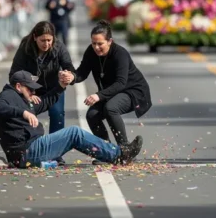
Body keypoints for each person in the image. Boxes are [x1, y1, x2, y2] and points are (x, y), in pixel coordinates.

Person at [0, 70, 143, 168]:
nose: (33, 91)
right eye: (29, 88)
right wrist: (23, 113)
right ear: (18, 86)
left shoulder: (22, 98)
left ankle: (115, 155)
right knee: (74, 133)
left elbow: (44, 103)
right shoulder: (7, 96)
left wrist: (60, 86)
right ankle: (120, 155)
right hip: (26, 152)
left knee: (74, 135)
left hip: (30, 150)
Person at [59, 20, 152, 164]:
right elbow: (82, 72)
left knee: (111, 108)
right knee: (92, 115)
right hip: (112, 92)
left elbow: (121, 83)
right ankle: (107, 152)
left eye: (100, 44)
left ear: (110, 41)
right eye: (93, 43)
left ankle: (125, 149)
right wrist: (72, 77)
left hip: (133, 91)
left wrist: (98, 95)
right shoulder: (91, 52)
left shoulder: (120, 54)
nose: (96, 47)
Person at [9, 21, 75, 165]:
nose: (46, 44)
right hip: (31, 89)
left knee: (57, 114)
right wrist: (27, 93)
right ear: (34, 37)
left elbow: (69, 67)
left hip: (53, 87)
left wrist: (69, 75)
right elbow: (14, 74)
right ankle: (25, 151)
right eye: (42, 40)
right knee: (26, 114)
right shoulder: (25, 48)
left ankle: (56, 153)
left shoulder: (59, 47)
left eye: (49, 40)